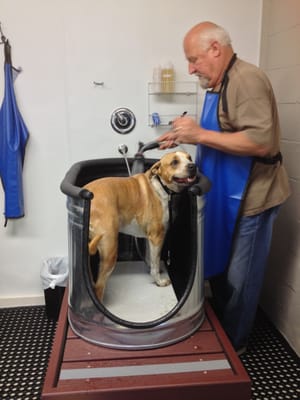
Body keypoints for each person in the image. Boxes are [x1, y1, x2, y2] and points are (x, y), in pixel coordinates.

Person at [157, 21, 291, 353]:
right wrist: (182, 134)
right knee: (220, 271)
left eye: (194, 59)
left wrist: (199, 135)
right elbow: (225, 131)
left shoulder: (247, 79)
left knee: (239, 280)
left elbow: (261, 142)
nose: (190, 68)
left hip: (253, 197)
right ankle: (222, 331)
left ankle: (234, 347)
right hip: (224, 192)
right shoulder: (219, 82)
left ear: (215, 48)